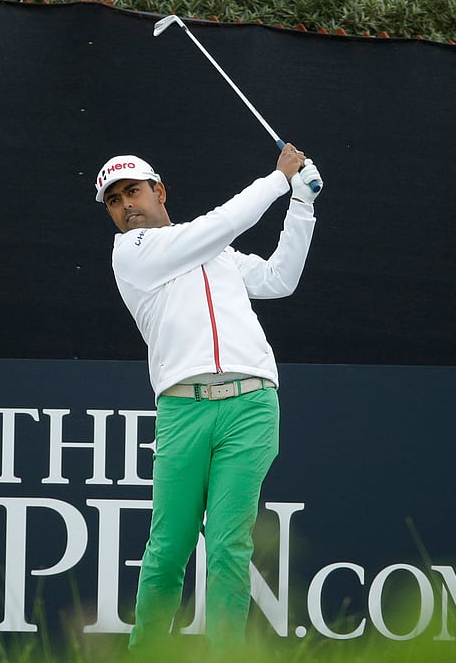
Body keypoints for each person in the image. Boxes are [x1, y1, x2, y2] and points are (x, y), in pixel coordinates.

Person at [94, 146, 322, 658]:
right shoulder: (130, 253)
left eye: (133, 191)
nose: (125, 205)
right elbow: (219, 225)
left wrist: (302, 205)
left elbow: (279, 279)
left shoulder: (215, 253)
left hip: (251, 406)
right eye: (113, 200)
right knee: (168, 548)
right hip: (183, 410)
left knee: (228, 547)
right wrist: (278, 179)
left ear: (159, 191)